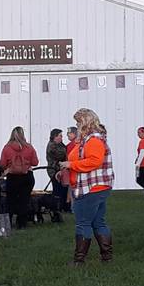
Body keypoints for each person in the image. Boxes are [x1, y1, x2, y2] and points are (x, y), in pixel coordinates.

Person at [59, 108, 114, 265]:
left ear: (85, 122)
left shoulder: (94, 140)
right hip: (97, 187)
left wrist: (71, 164)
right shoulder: (89, 139)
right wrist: (68, 168)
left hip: (91, 188)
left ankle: (79, 260)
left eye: (78, 122)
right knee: (98, 222)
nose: (76, 125)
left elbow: (94, 161)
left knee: (83, 223)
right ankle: (106, 257)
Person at [0, 126, 39, 229]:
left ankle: (8, 224)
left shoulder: (7, 148)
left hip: (12, 177)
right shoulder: (29, 147)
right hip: (27, 176)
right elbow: (35, 162)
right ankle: (22, 224)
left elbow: (2, 164)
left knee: (11, 200)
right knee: (24, 200)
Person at [45, 129, 68, 212]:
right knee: (57, 189)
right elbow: (60, 154)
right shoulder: (52, 145)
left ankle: (62, 206)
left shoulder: (59, 144)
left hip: (60, 169)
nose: (62, 138)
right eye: (60, 136)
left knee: (63, 189)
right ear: (55, 137)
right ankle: (57, 207)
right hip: (54, 170)